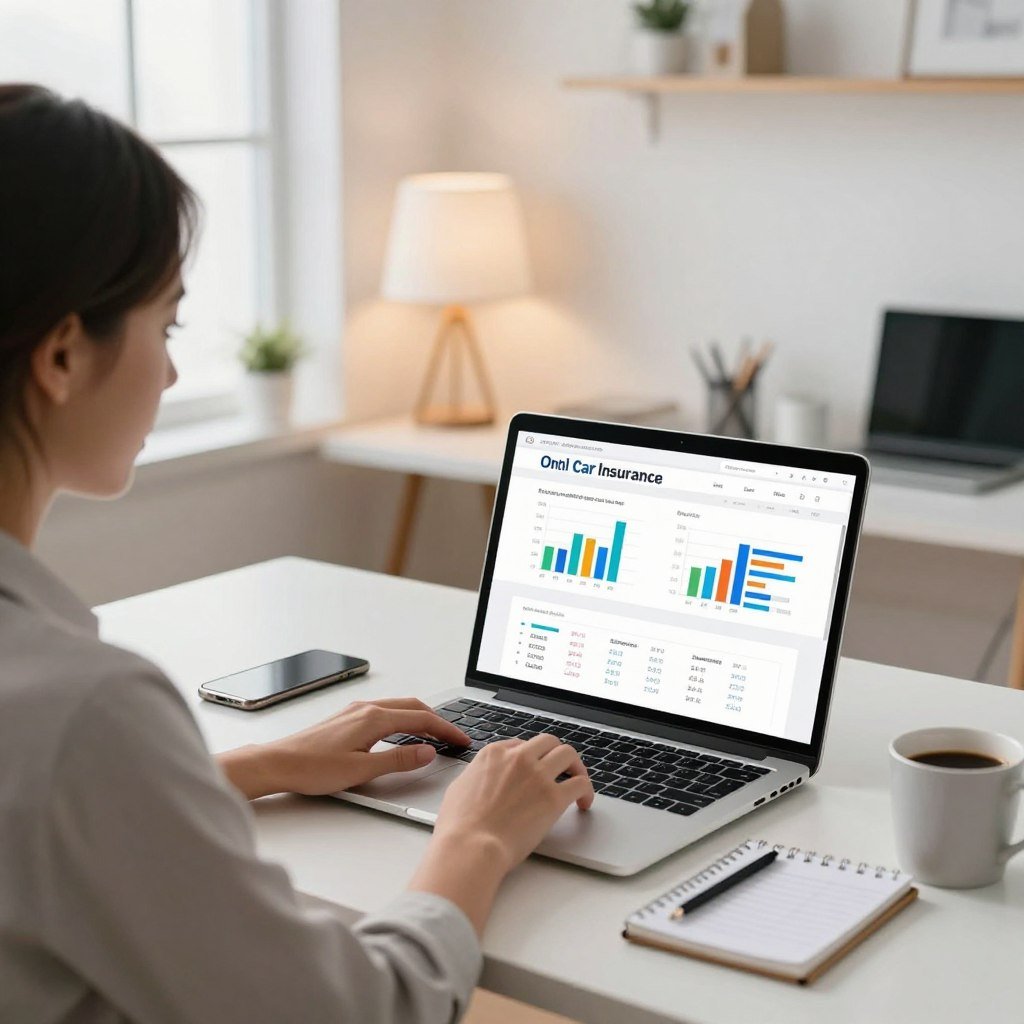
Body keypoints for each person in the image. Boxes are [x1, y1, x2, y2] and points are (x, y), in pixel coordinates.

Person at [0, 84, 594, 1024]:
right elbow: (361, 1010)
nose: (172, 371)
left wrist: (254, 765)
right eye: (168, 326)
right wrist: (476, 837)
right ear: (63, 357)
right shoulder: (82, 710)